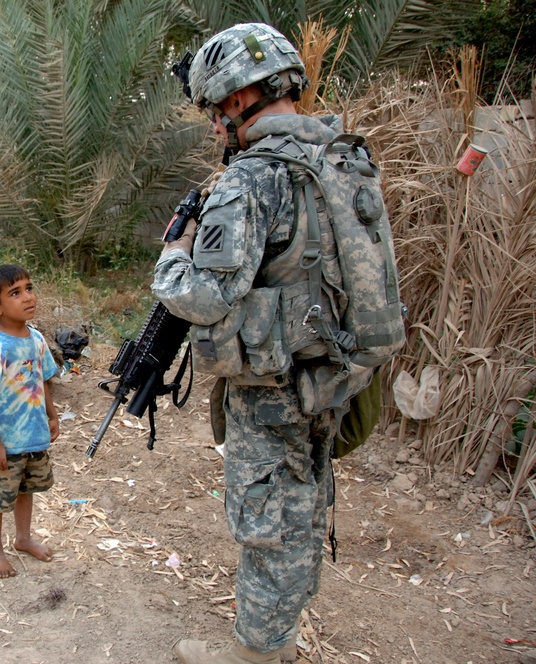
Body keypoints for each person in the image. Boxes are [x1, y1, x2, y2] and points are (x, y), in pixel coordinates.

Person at [153, 23, 387, 664]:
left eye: (213, 110)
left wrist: (172, 256)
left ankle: (257, 654)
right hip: (330, 376)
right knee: (304, 507)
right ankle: (280, 636)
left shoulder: (251, 180)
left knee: (266, 522)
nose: (213, 126)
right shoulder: (344, 159)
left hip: (271, 386)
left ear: (235, 100)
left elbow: (200, 295)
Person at [0, 264, 60, 579]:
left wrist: (52, 414)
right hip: (4, 442)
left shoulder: (35, 339)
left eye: (29, 288)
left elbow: (43, 379)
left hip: (33, 436)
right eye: (15, 293)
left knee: (26, 489)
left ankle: (23, 538)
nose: (27, 297)